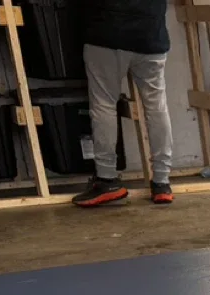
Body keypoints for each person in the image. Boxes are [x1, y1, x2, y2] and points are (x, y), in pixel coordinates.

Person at [74, 0, 174, 206]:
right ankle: (162, 182)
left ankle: (107, 179)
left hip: (107, 31)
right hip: (151, 33)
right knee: (156, 107)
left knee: (104, 104)